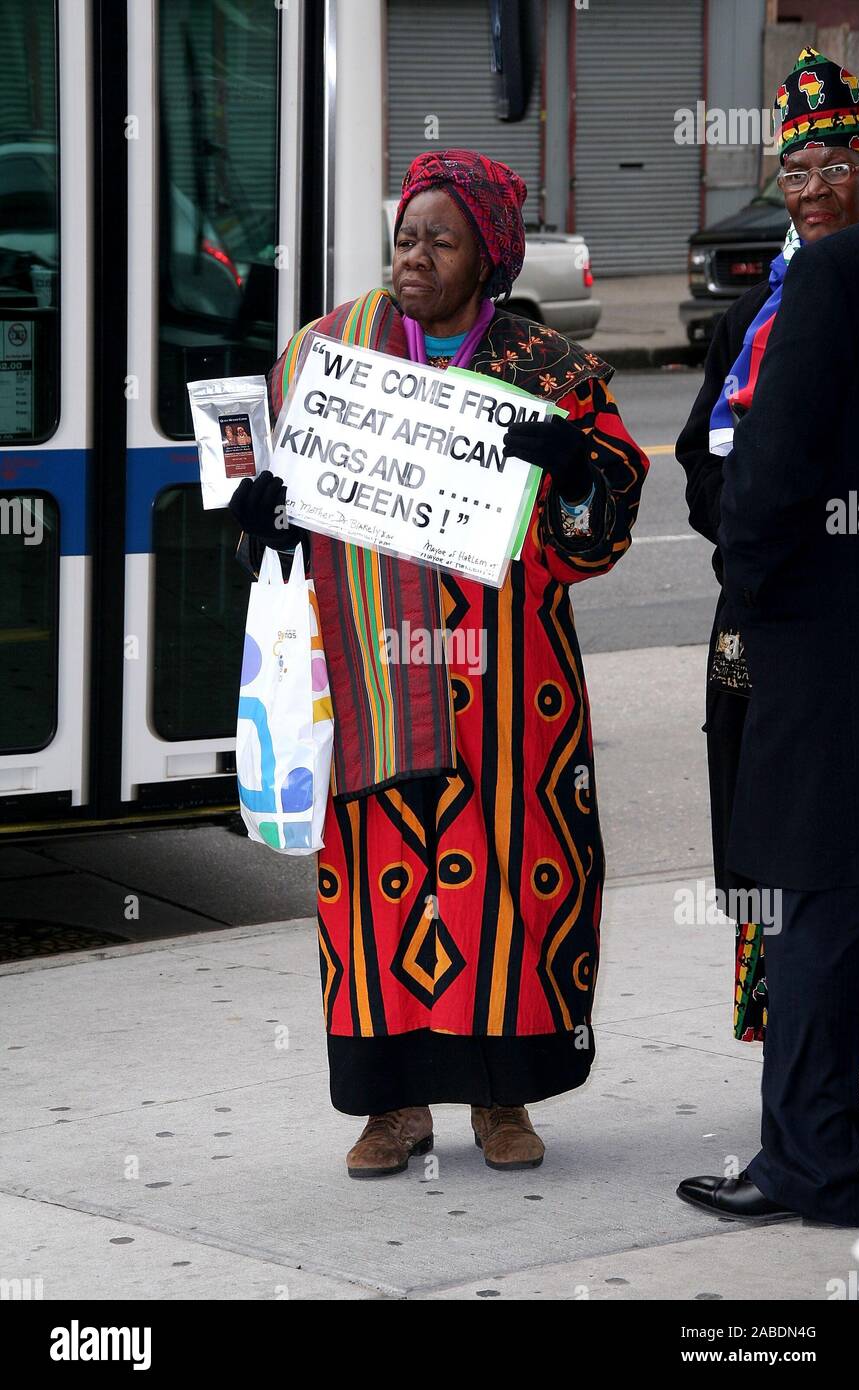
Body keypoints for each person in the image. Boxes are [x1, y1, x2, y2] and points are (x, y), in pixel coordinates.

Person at [230, 149, 649, 1179]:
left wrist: (574, 471)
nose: (414, 255)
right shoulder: (328, 355)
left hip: (508, 694)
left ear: (488, 260)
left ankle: (501, 1099)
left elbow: (597, 533)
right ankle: (392, 1108)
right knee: (377, 893)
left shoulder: (547, 371)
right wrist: (261, 521)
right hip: (368, 679)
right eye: (405, 236)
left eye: (440, 240)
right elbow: (272, 505)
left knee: (506, 883)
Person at [676, 79, 859, 1224]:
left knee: (810, 897)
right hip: (803, 630)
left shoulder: (831, 282)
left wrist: (749, 573)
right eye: (794, 171)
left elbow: (774, 476)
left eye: (837, 163)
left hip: (809, 638)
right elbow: (714, 452)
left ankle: (808, 1159)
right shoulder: (776, 292)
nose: (814, 187)